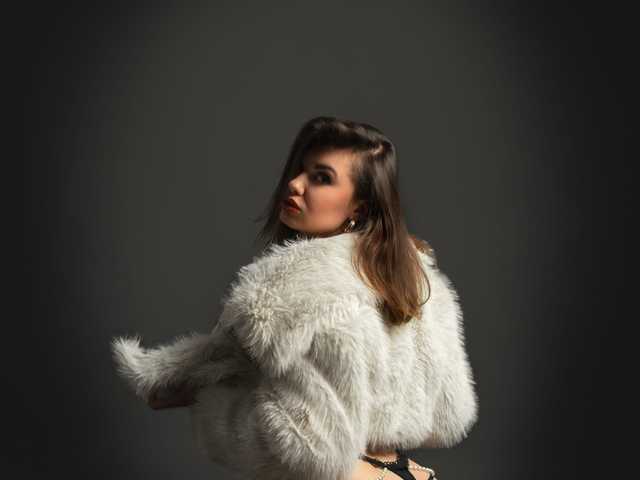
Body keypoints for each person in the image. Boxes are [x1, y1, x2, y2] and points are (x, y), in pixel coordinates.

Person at [111, 116, 478, 479]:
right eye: (299, 170)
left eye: (321, 178)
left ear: (359, 208)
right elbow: (450, 412)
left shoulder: (289, 292)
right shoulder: (419, 281)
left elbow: (311, 447)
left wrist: (212, 405)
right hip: (409, 473)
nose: (295, 184)